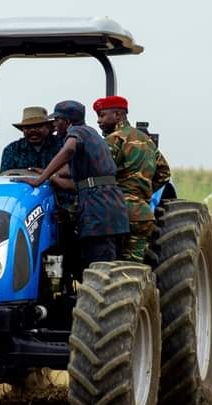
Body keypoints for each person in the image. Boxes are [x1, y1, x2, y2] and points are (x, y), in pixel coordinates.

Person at [15, 100, 129, 274]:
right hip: (109, 207)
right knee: (103, 266)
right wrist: (50, 174)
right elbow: (71, 173)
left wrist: (40, 179)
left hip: (98, 210)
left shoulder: (77, 131)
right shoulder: (92, 135)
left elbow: (68, 151)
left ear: (66, 121)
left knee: (99, 270)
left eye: (57, 120)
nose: (54, 125)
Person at [93, 95, 171, 262]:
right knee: (133, 267)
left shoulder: (113, 139)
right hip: (142, 214)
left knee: (109, 265)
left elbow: (98, 172)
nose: (98, 121)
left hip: (117, 211)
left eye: (102, 115)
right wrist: (142, 193)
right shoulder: (147, 141)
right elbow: (164, 173)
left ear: (118, 115)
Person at [0, 106, 63, 173]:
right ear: (22, 129)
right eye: (28, 127)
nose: (32, 130)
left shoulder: (62, 145)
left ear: (48, 127)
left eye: (38, 126)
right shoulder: (12, 149)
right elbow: (5, 177)